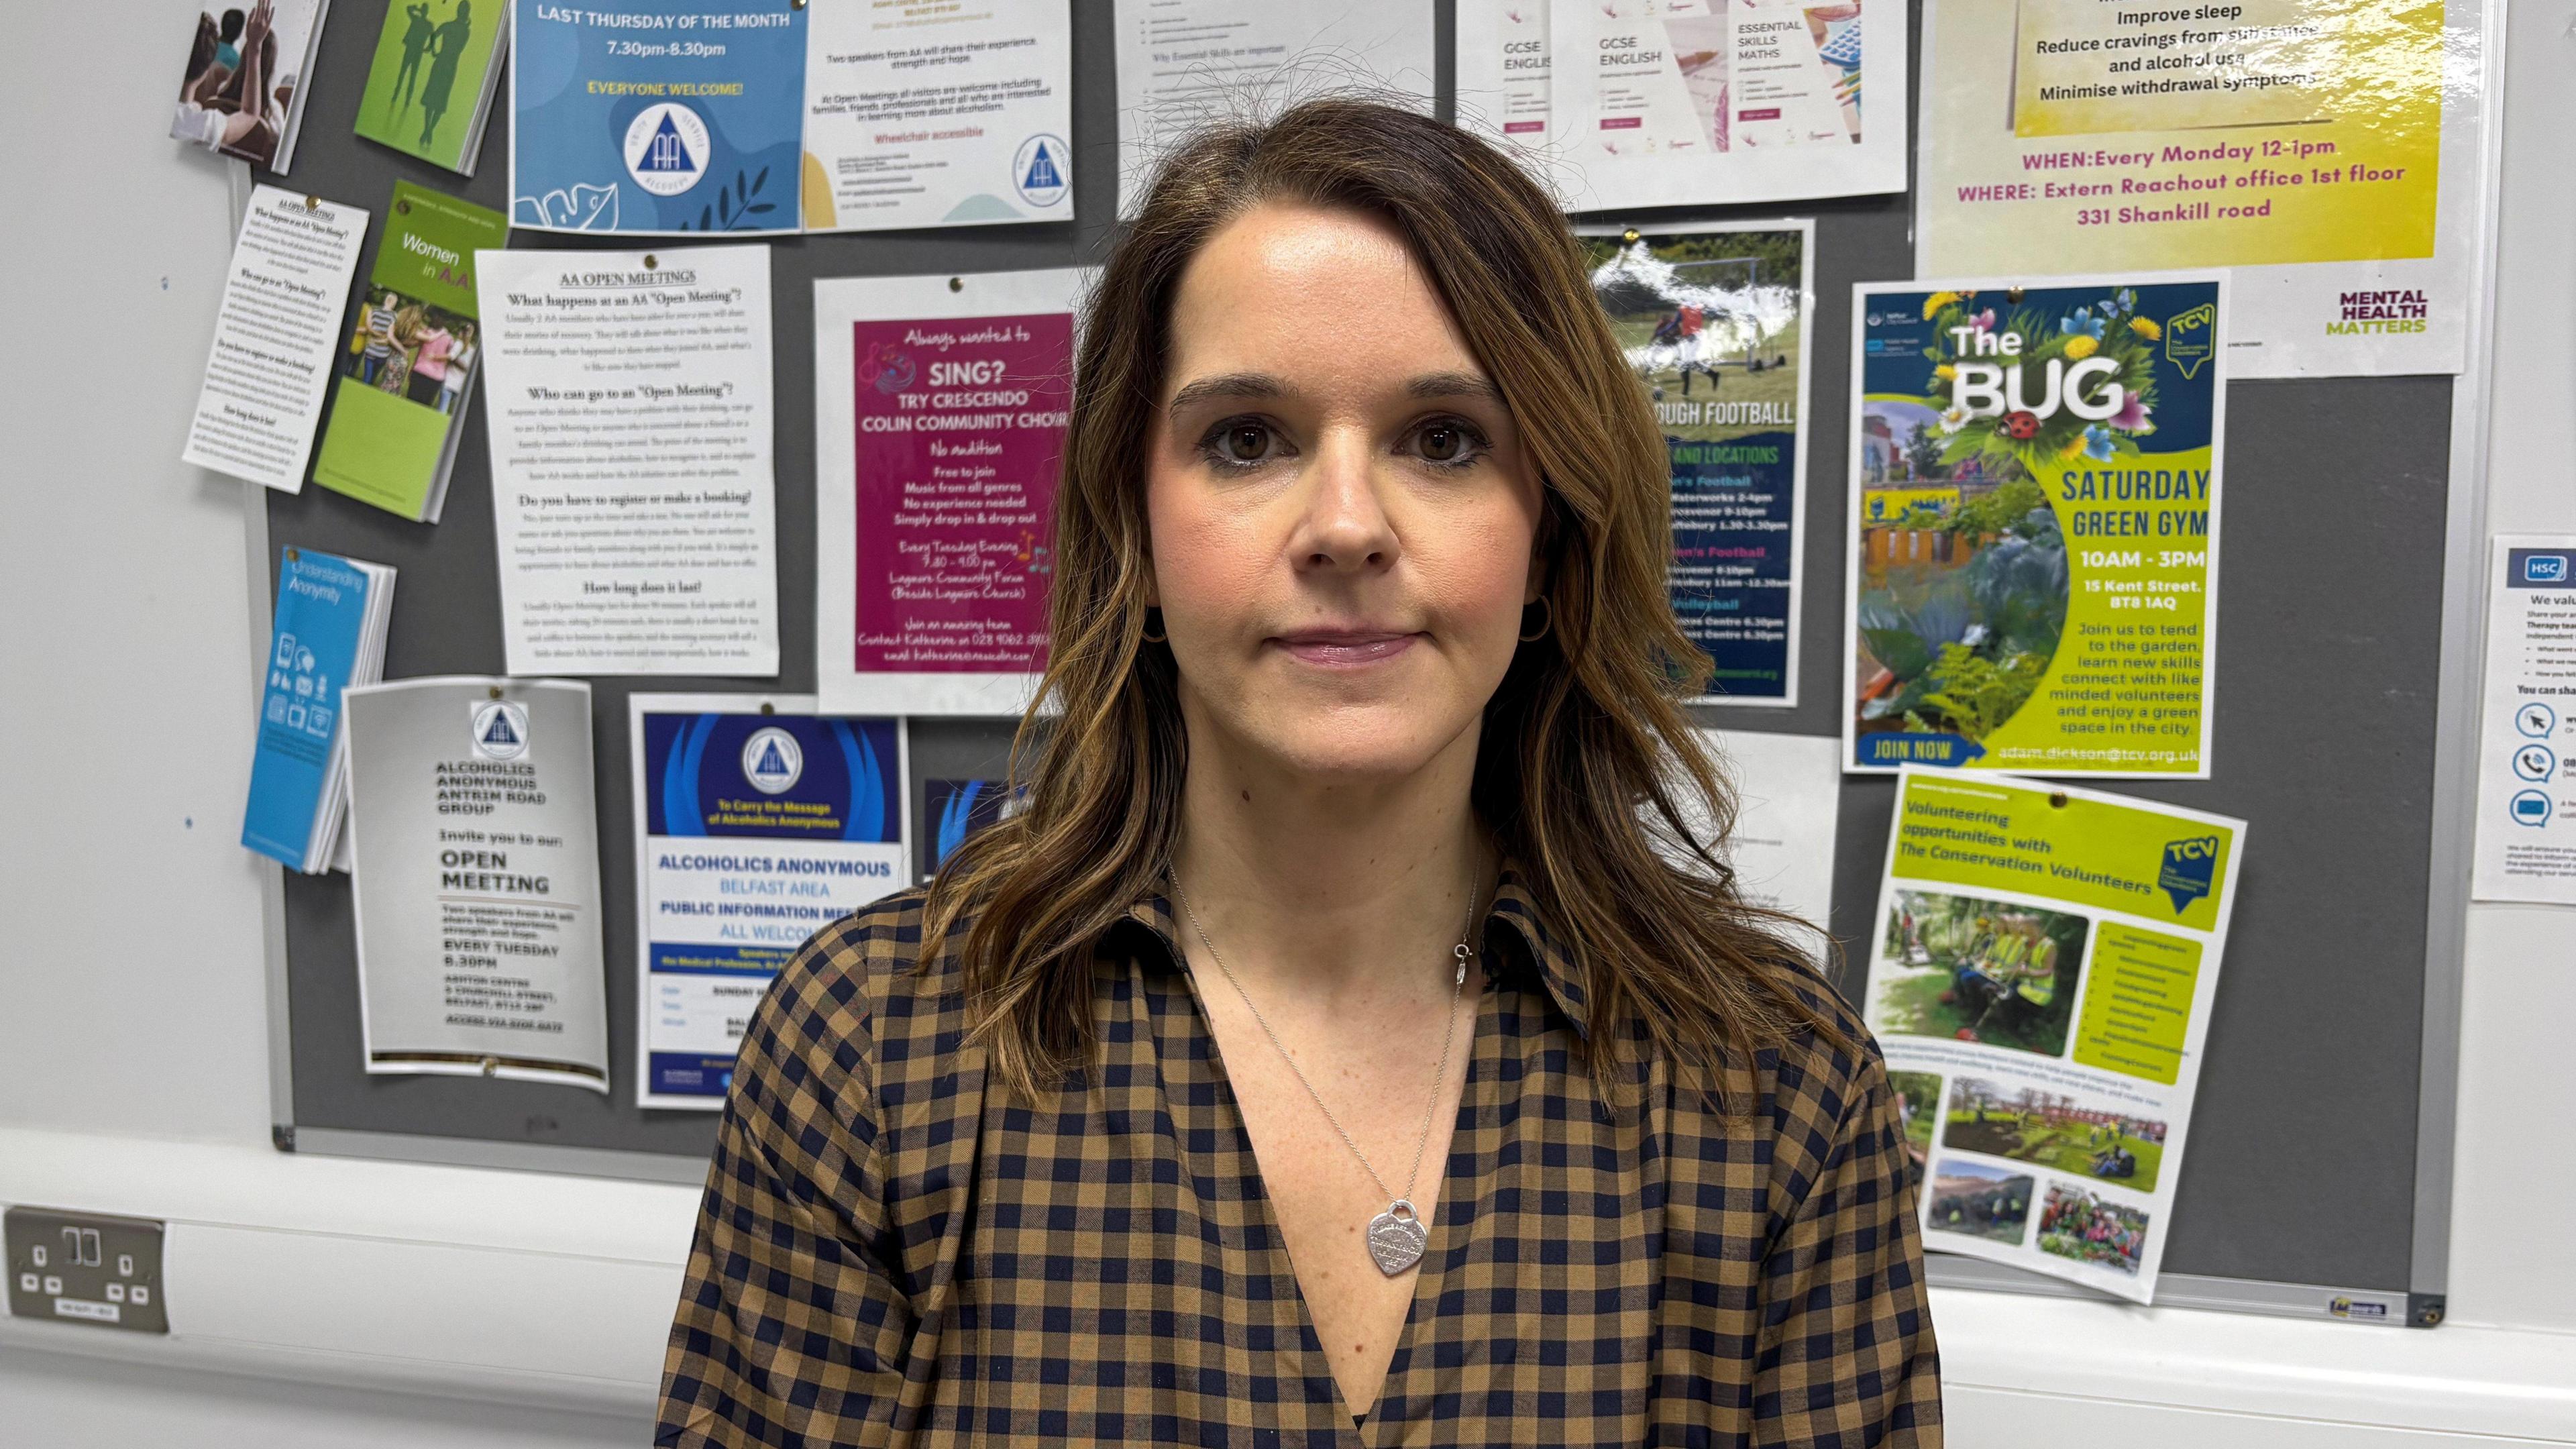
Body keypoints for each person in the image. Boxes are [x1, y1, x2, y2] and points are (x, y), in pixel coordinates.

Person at [655, 98, 1941, 1446]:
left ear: (1553, 543)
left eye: (1443, 440)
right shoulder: (879, 1049)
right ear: (1134, 534)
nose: (1344, 528)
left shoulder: (1774, 1091)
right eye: (1248, 439)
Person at [417, 0, 473, 150]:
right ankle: (428, 131)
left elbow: (434, 35)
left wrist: (433, 49)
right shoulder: (465, 31)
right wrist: (433, 49)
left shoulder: (450, 26)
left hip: (442, 62)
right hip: (449, 65)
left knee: (434, 97)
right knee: (438, 99)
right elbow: (439, 37)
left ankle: (428, 130)